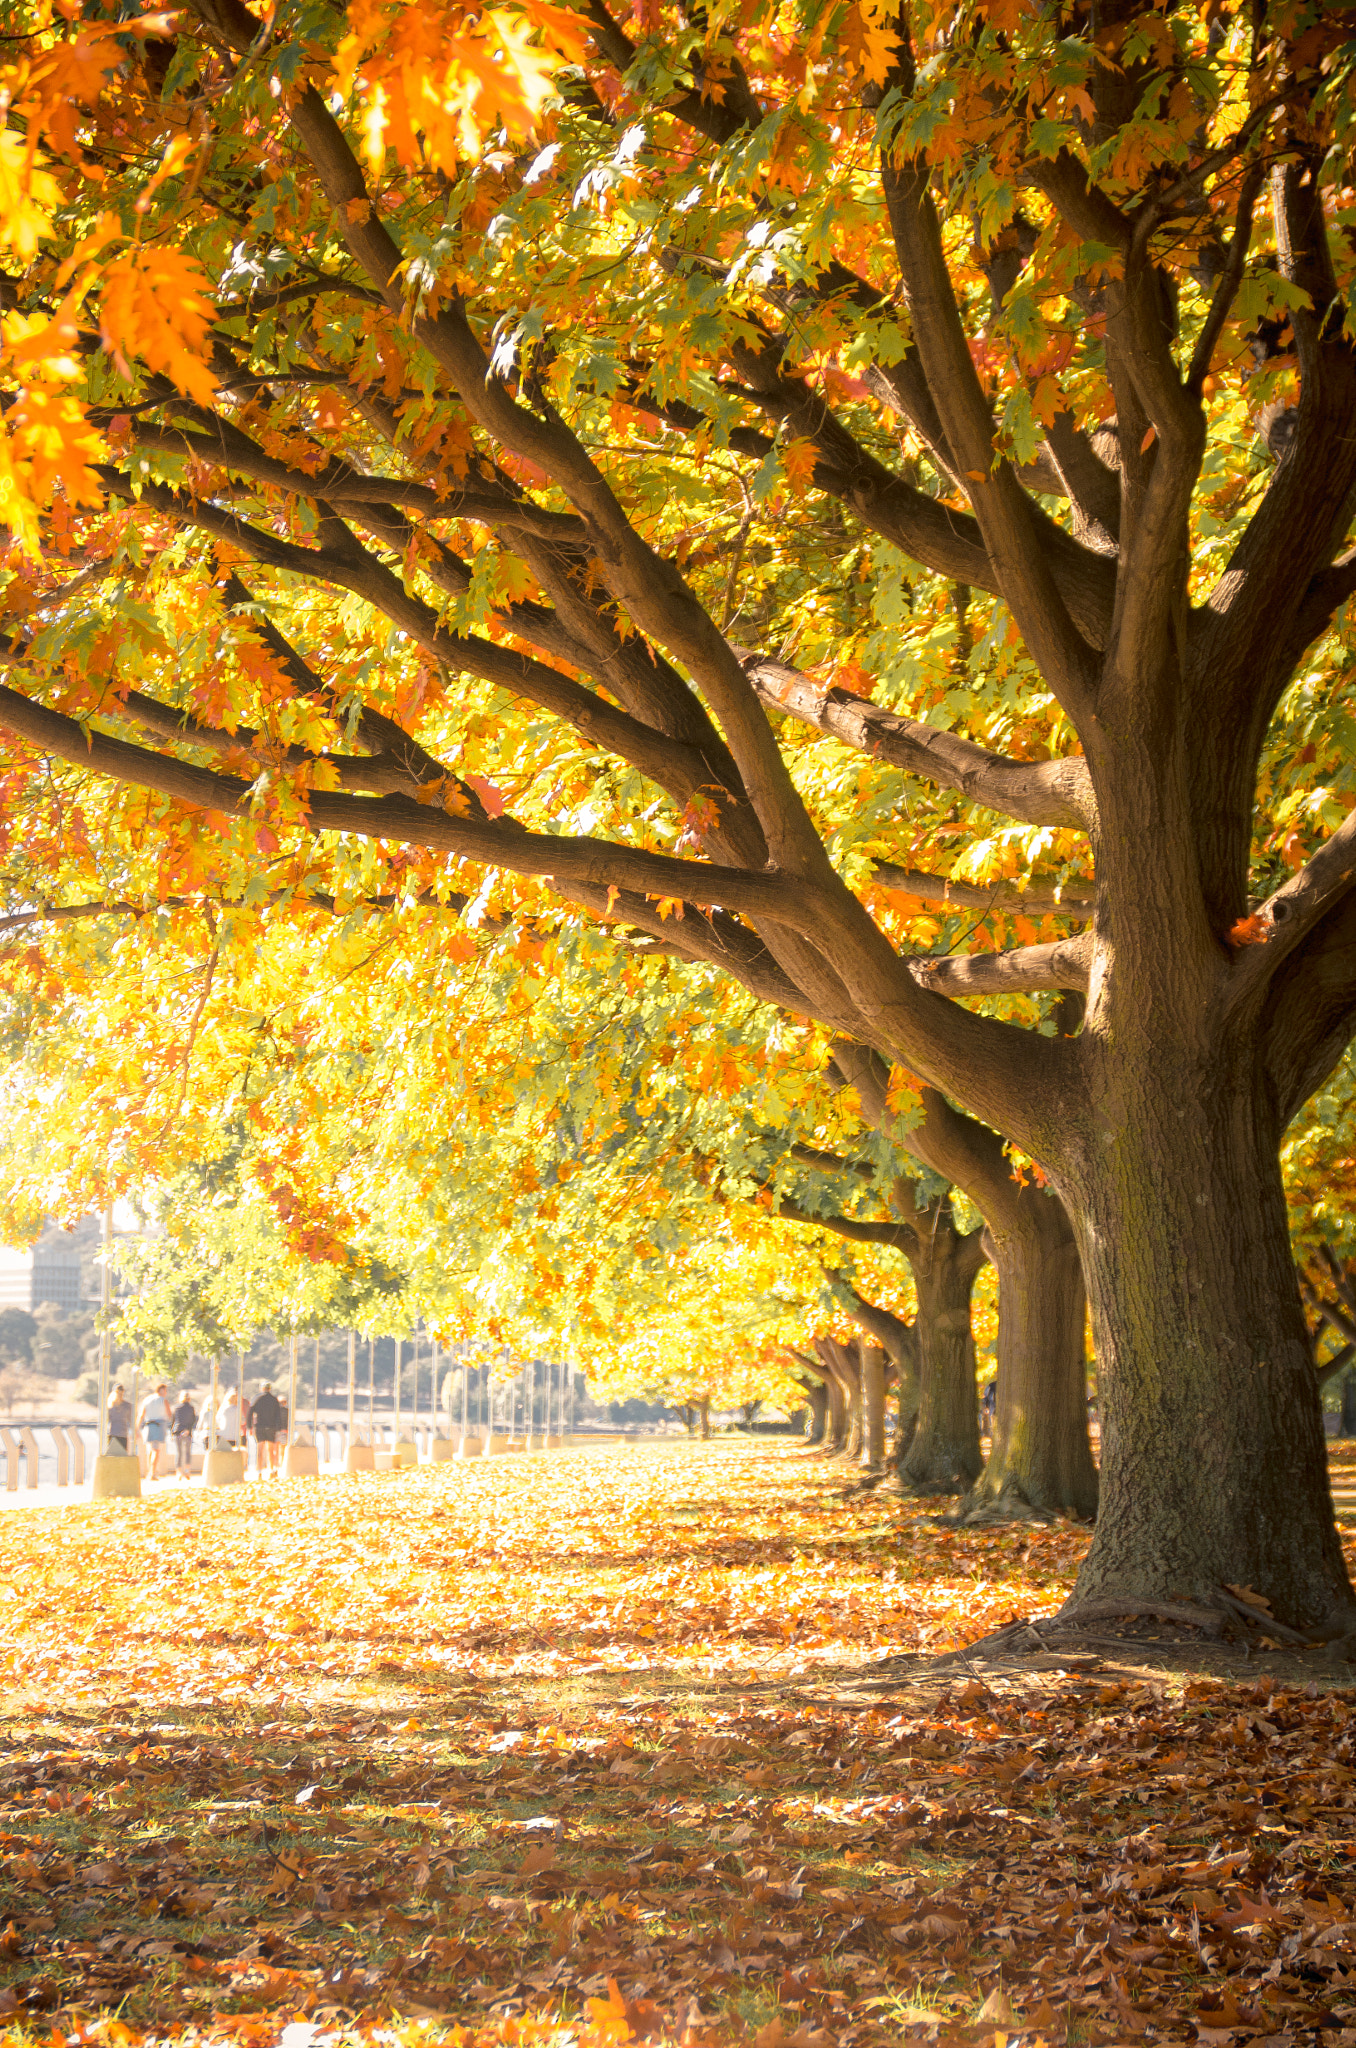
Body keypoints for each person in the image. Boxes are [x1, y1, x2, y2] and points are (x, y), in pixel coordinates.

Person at [139, 1381, 172, 1478]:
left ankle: (150, 1470)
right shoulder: (163, 1400)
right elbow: (169, 1414)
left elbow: (141, 1414)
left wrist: (137, 1427)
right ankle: (152, 1472)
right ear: (162, 1390)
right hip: (159, 1425)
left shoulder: (147, 1399)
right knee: (156, 1450)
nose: (166, 1393)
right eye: (165, 1390)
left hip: (148, 1425)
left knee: (151, 1449)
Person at [250, 1382, 284, 1475]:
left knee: (260, 1449)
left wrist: (249, 1426)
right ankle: (272, 1469)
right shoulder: (274, 1400)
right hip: (271, 1427)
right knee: (271, 1449)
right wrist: (278, 1428)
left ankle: (259, 1470)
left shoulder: (256, 1399)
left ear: (262, 1389)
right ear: (269, 1389)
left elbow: (250, 1412)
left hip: (260, 1426)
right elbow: (278, 1415)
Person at [171, 1387, 197, 1480]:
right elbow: (193, 1421)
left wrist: (172, 1432)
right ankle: (187, 1471)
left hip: (178, 1432)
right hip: (187, 1432)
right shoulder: (191, 1408)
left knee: (179, 1453)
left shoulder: (177, 1408)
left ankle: (178, 1472)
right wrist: (188, 1430)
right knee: (187, 1452)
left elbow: (174, 1421)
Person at [107, 1384, 132, 1453]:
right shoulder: (110, 1405)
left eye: (121, 1392)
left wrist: (134, 1432)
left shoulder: (127, 1406)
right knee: (112, 1455)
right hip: (112, 1434)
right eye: (118, 1392)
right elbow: (106, 1420)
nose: (120, 1394)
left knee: (122, 1455)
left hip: (123, 1434)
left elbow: (131, 1420)